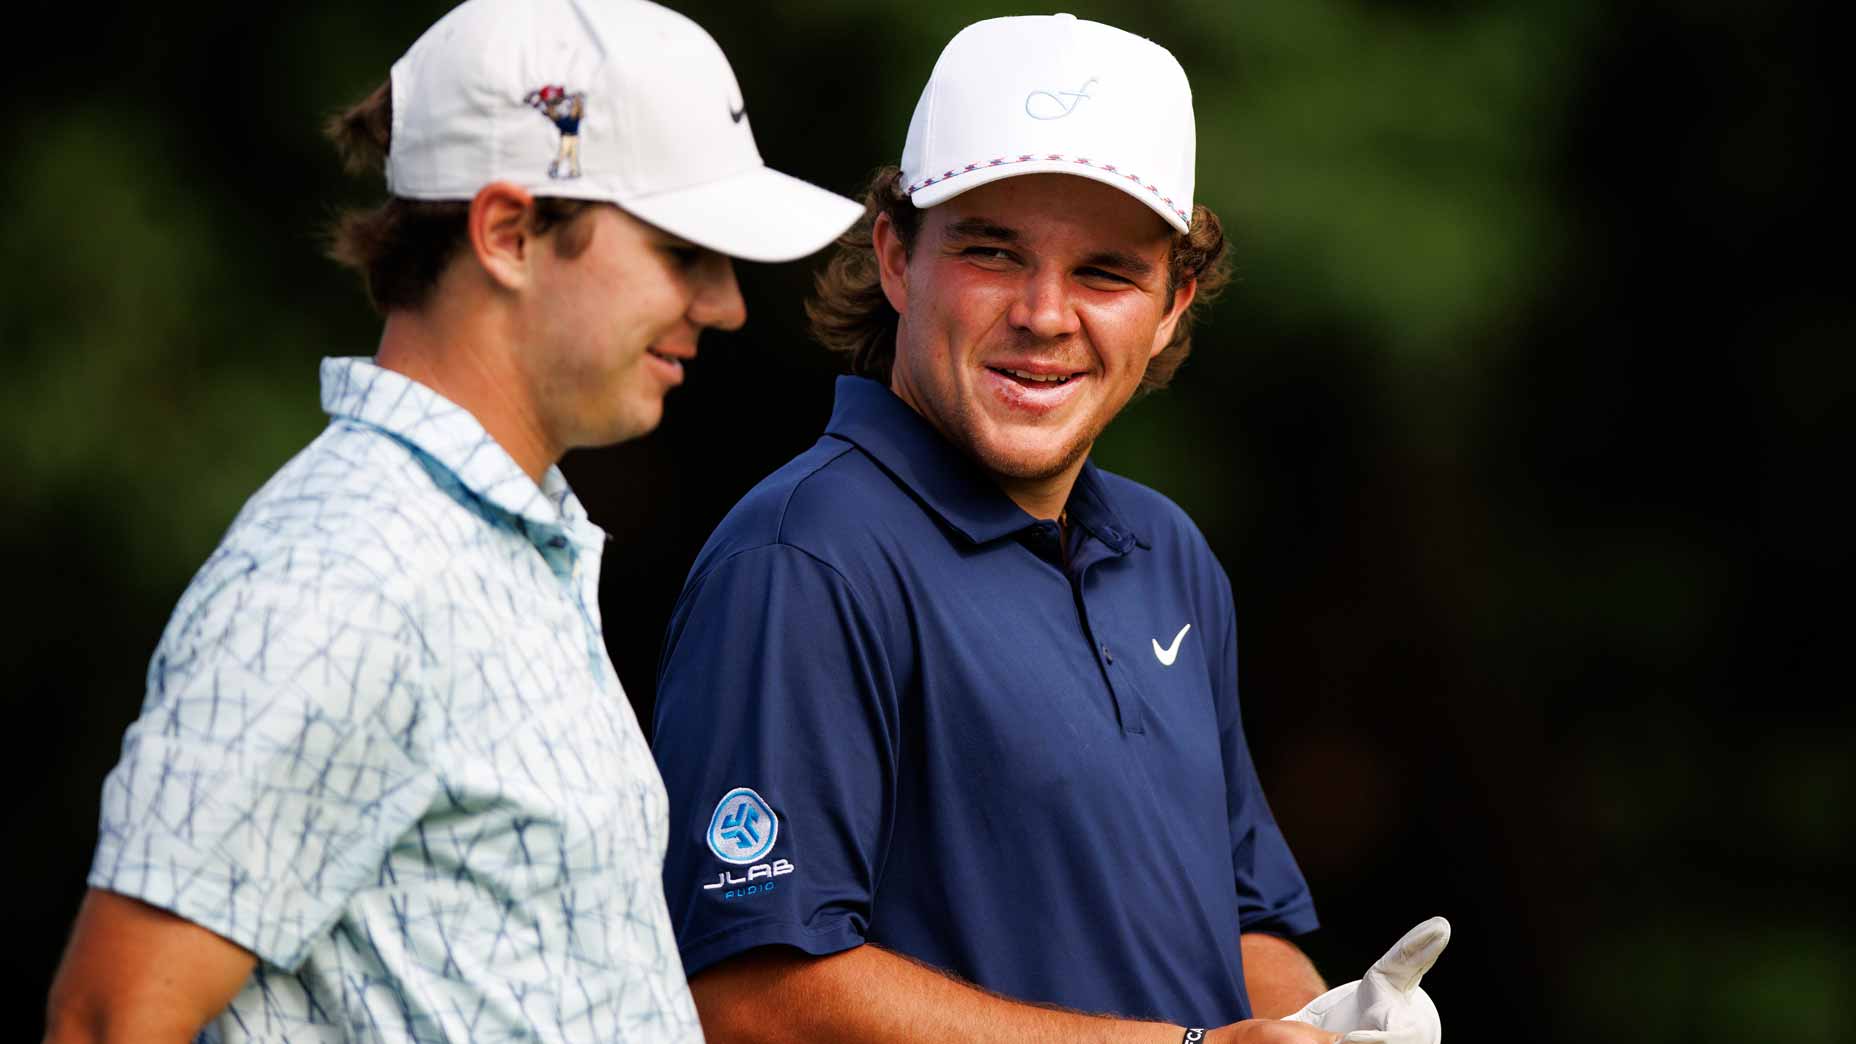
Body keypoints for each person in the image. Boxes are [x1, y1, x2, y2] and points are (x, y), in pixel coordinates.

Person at [42, 0, 861, 1041]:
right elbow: (108, 1018)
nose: (725, 303)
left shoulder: (490, 546)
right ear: (509, 234)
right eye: (680, 251)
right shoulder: (347, 571)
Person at [649, 14, 1446, 1044]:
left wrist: (1319, 1025)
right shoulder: (804, 557)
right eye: (991, 252)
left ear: (1171, 304)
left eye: (1105, 273)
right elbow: (751, 997)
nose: (1042, 312)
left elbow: (1239, 922)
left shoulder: (1168, 557)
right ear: (895, 258)